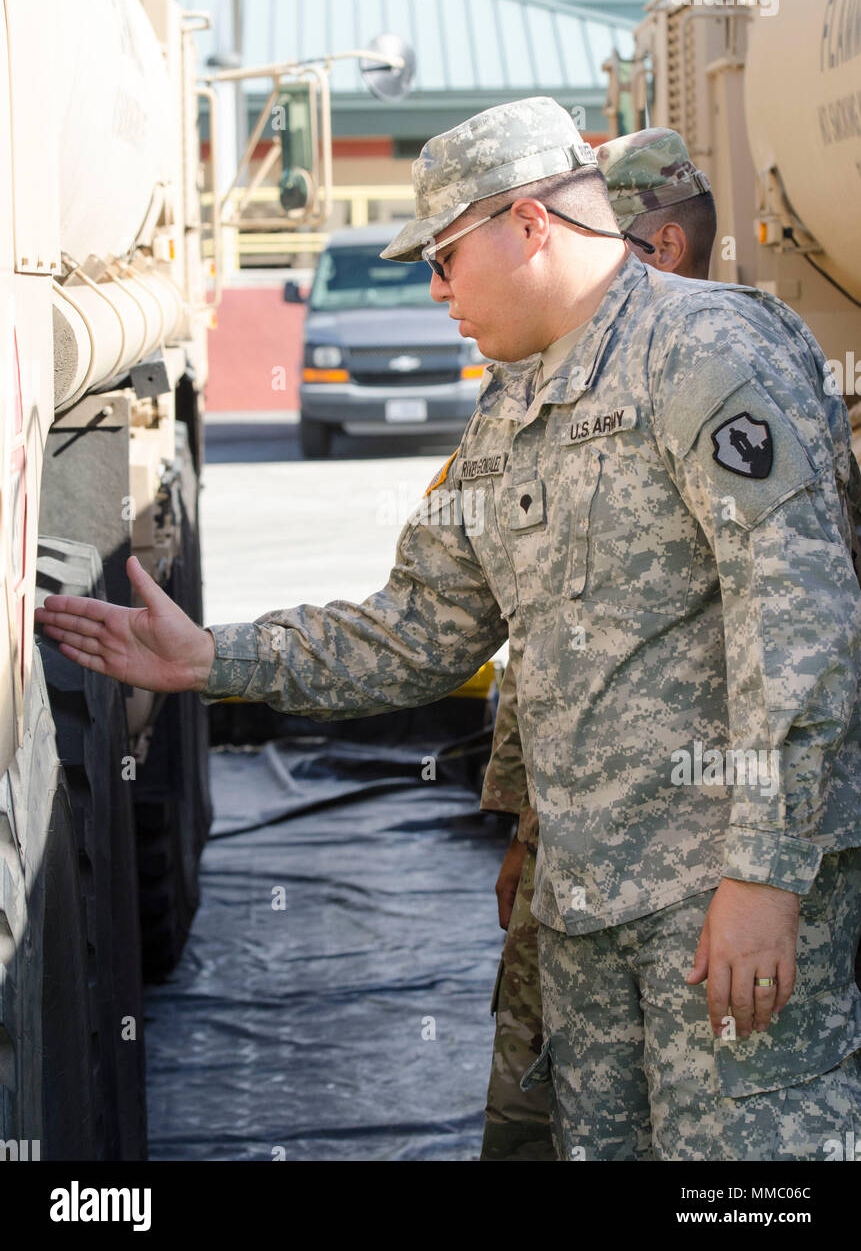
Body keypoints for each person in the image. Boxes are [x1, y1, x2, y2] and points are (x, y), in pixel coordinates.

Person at [34, 97, 861, 1161]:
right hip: (588, 920)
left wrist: (766, 875)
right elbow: (419, 628)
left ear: (529, 224)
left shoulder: (700, 350)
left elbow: (798, 616)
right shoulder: (511, 410)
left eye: (444, 257)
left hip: (722, 907)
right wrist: (210, 656)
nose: (435, 292)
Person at [479, 127, 718, 1163]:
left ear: (657, 246)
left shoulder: (717, 372)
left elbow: (790, 636)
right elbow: (537, 637)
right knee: (551, 1112)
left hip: (700, 882)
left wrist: (766, 870)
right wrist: (522, 818)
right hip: (575, 864)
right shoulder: (535, 392)